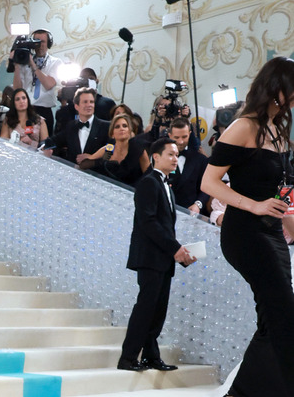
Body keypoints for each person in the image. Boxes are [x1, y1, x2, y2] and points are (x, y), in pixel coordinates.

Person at [201, 56, 294, 397]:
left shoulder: (278, 129)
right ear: (276, 88)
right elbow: (209, 182)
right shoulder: (243, 126)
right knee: (284, 316)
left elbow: (281, 191)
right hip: (245, 233)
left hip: (273, 233)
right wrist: (254, 205)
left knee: (275, 319)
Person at [117, 138, 196, 372]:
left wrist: (178, 251)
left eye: (177, 154)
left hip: (163, 259)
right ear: (156, 157)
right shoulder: (148, 183)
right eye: (170, 154)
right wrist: (175, 248)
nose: (175, 158)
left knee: (158, 310)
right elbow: (148, 222)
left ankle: (151, 356)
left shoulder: (166, 185)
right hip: (150, 257)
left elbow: (165, 226)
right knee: (146, 308)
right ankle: (128, 358)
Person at [42, 87, 110, 168]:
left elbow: (112, 151)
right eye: (85, 102)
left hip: (97, 173)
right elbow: (53, 141)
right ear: (76, 106)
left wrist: (93, 158)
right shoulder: (71, 126)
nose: (89, 105)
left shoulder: (106, 126)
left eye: (91, 102)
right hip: (72, 172)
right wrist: (44, 147)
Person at [11, 28, 62, 134]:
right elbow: (17, 89)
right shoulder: (24, 62)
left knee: (44, 143)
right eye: (37, 42)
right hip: (27, 111)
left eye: (43, 42)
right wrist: (16, 65)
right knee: (26, 141)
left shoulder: (56, 62)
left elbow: (49, 84)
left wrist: (33, 65)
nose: (40, 45)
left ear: (48, 43)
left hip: (45, 111)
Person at [86, 114, 150, 186]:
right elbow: (85, 164)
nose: (121, 129)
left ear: (129, 131)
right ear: (112, 134)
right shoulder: (109, 148)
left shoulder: (138, 150)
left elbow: (149, 178)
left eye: (125, 126)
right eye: (117, 127)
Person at [168, 117, 209, 215]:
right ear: (170, 135)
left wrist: (198, 204)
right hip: (165, 211)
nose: (181, 141)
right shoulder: (161, 158)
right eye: (176, 137)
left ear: (190, 134)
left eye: (184, 137)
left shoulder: (200, 160)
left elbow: (206, 187)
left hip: (190, 213)